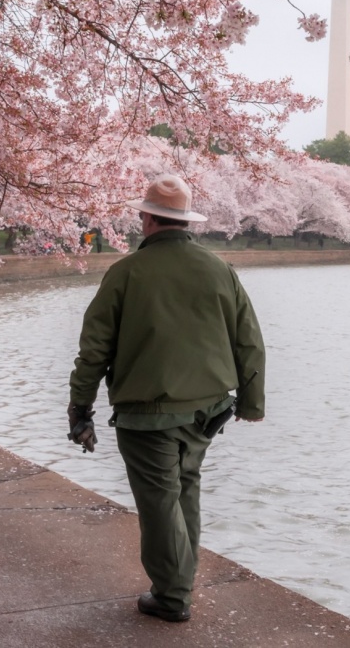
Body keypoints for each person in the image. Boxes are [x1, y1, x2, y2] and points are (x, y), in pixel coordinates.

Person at [67, 175, 265, 624]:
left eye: (142, 214)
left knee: (159, 500)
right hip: (207, 411)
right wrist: (251, 402)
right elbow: (249, 340)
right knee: (185, 490)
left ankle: (173, 596)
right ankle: (181, 578)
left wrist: (80, 408)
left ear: (149, 219)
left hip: (148, 412)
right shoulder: (219, 269)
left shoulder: (126, 273)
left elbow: (93, 350)